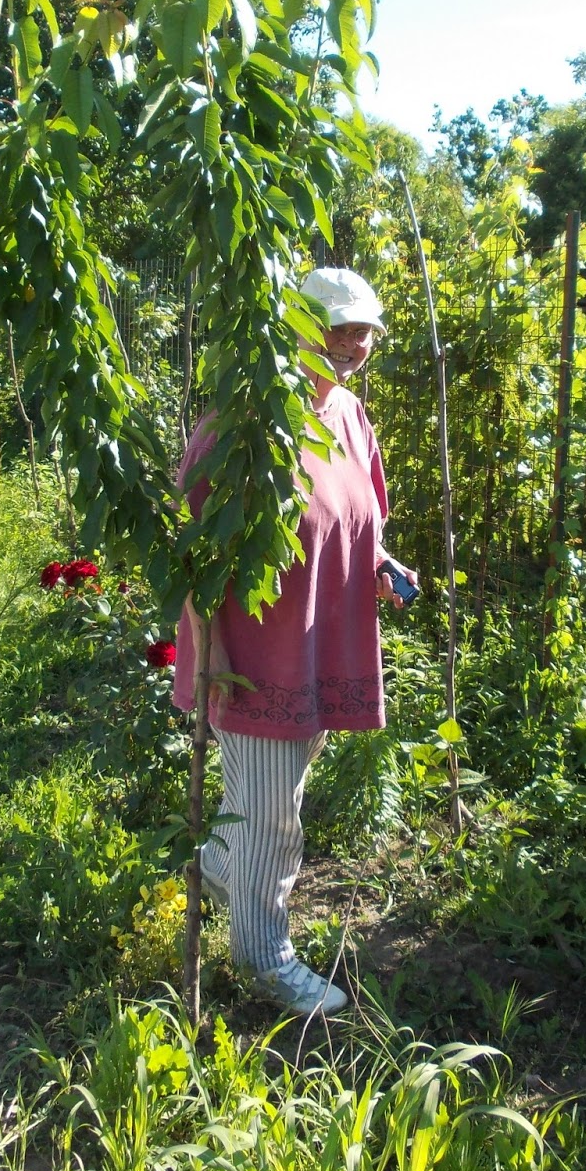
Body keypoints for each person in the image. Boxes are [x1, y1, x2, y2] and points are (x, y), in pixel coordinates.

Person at [171, 267, 417, 1016]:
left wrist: (381, 564)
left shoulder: (349, 415)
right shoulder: (241, 424)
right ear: (294, 330)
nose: (351, 342)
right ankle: (263, 957)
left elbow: (358, 517)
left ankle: (221, 869)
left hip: (318, 644)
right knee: (273, 818)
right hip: (254, 655)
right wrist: (209, 654)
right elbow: (187, 544)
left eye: (363, 329)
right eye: (334, 327)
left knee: (264, 795)